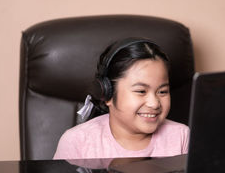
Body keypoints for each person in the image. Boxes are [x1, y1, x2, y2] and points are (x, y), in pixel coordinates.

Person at [53, 37, 189, 159]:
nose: (154, 103)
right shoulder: (77, 142)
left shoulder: (181, 137)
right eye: (141, 91)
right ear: (107, 94)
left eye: (162, 91)